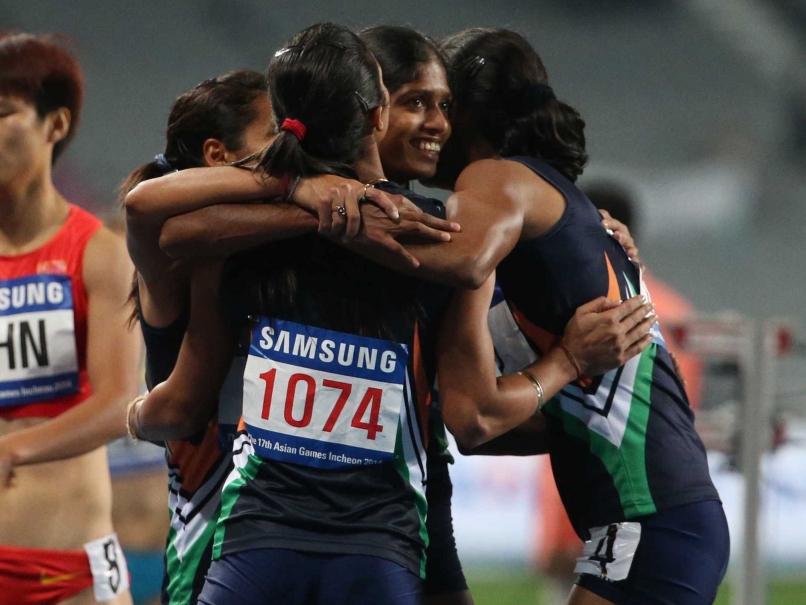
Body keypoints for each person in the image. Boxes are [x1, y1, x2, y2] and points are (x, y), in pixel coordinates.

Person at [124, 22, 653, 605]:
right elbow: (475, 412)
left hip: (260, 539)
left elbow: (152, 219)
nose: (438, 124)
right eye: (415, 102)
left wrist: (305, 194)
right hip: (373, 541)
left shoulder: (232, 248)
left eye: (445, 105)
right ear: (375, 115)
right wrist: (570, 352)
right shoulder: (438, 242)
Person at [426, 28, 729, 605]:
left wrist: (335, 215)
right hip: (655, 518)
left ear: (466, 112)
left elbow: (460, 269)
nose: (430, 125)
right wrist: (553, 384)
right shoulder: (555, 214)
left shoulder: (492, 180)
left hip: (649, 517)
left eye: (437, 104)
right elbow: (484, 433)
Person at [0, 33, 141, 605]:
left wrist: (13, 450)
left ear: (55, 126)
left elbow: (117, 404)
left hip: (67, 571)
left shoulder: (100, 254)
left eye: (2, 113)